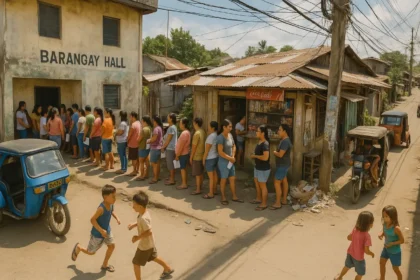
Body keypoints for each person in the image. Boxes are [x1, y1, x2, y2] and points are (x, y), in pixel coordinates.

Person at [71, 185, 121, 273]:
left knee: (111, 246)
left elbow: (111, 211)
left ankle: (105, 264)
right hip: (97, 234)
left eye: (115, 196)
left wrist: (117, 218)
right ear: (105, 197)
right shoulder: (101, 208)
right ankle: (79, 247)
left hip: (107, 231)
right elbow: (92, 220)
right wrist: (101, 231)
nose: (115, 198)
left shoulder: (111, 204)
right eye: (113, 196)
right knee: (91, 252)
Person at [128, 191, 174, 280]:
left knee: (136, 263)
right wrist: (134, 224)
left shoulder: (143, 218)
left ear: (140, 206)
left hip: (144, 245)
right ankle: (167, 268)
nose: (132, 206)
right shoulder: (144, 213)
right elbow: (143, 224)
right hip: (150, 243)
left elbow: (149, 231)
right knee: (153, 257)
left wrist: (137, 238)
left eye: (134, 204)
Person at [334, 211, 375, 280]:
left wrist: (356, 239)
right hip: (359, 258)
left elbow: (349, 237)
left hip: (350, 253)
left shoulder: (355, 229)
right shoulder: (367, 236)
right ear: (370, 224)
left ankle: (339, 277)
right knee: (360, 273)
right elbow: (366, 251)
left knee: (347, 266)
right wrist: (372, 254)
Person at [216, 119, 243, 205]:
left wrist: (233, 156)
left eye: (231, 127)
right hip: (224, 162)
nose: (231, 128)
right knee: (223, 179)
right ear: (224, 127)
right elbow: (220, 152)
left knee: (232, 179)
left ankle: (234, 196)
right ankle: (223, 197)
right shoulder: (220, 138)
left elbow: (234, 146)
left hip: (231, 161)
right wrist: (230, 158)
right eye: (229, 127)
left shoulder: (230, 135)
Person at [378, 205, 404, 280]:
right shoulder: (385, 224)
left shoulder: (396, 228)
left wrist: (392, 243)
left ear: (393, 216)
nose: (384, 218)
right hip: (386, 249)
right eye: (383, 216)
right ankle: (382, 278)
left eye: (386, 216)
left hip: (395, 252)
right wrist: (381, 234)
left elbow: (402, 241)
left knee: (395, 269)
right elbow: (384, 230)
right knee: (381, 263)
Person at [272, 124, 292, 210]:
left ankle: (277, 203)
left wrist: (274, 152)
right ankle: (284, 200)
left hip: (283, 165)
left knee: (277, 182)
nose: (278, 131)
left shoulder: (285, 141)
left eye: (280, 130)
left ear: (285, 131)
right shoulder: (283, 140)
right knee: (284, 181)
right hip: (284, 164)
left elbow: (280, 154)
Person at [250, 125, 270, 211]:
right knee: (257, 183)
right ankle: (258, 198)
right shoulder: (259, 142)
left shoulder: (265, 144)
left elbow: (265, 157)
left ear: (263, 133)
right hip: (257, 167)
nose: (256, 132)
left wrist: (255, 156)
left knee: (262, 186)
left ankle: (264, 204)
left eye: (258, 131)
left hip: (263, 168)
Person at [203, 121, 219, 199]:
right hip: (215, 157)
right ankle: (214, 190)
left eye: (209, 126)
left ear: (212, 128)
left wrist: (203, 159)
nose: (208, 127)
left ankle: (210, 193)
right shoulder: (216, 135)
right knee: (214, 174)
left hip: (210, 158)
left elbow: (207, 150)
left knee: (211, 177)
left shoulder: (211, 136)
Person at [190, 118, 206, 195]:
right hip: (202, 154)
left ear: (196, 123)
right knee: (201, 173)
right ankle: (200, 186)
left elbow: (194, 147)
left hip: (197, 155)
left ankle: (198, 189)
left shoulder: (197, 133)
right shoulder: (203, 131)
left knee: (197, 174)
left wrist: (191, 157)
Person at [161, 113, 178, 186]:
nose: (167, 119)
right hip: (171, 147)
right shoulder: (172, 127)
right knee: (171, 164)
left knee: (170, 164)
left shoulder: (171, 128)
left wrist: (163, 147)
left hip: (170, 148)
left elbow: (168, 139)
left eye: (168, 117)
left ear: (171, 119)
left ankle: (172, 180)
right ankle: (171, 177)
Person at [175, 118, 191, 190]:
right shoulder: (187, 132)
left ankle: (184, 184)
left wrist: (177, 155)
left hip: (183, 153)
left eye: (180, 123)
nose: (179, 125)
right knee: (184, 168)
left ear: (184, 124)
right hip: (184, 153)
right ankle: (184, 182)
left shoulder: (184, 133)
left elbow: (181, 145)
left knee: (183, 169)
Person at [147, 116, 163, 184]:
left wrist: (149, 141)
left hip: (155, 148)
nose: (152, 122)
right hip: (159, 147)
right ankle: (157, 176)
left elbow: (154, 138)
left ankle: (155, 178)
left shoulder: (156, 129)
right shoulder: (160, 128)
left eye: (153, 121)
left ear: (155, 121)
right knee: (157, 163)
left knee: (154, 164)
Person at [136, 116, 152, 181]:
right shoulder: (150, 128)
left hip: (142, 147)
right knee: (147, 161)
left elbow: (139, 139)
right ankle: (146, 174)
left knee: (141, 162)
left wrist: (137, 139)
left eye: (142, 121)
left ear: (144, 121)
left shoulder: (144, 129)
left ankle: (142, 175)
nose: (141, 122)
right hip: (147, 146)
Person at [127, 112, 141, 176]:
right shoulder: (139, 123)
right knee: (137, 158)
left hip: (133, 144)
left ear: (133, 117)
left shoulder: (133, 125)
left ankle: (134, 170)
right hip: (138, 143)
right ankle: (137, 170)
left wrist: (127, 141)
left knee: (133, 158)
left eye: (130, 117)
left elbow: (129, 134)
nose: (129, 118)